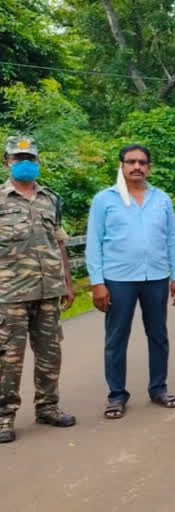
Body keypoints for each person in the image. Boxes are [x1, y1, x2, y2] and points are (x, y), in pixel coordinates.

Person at [86, 144, 175, 419]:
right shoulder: (104, 200)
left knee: (158, 335)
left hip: (155, 276)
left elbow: (172, 240)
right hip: (118, 279)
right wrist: (97, 283)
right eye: (131, 162)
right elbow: (94, 243)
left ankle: (159, 388)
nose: (137, 166)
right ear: (122, 166)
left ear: (149, 167)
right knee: (116, 338)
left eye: (142, 162)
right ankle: (116, 395)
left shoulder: (161, 199)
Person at [0, 136, 75, 443]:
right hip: (10, 294)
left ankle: (48, 407)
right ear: (7, 163)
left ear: (38, 161)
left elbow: (59, 242)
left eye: (29, 158)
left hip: (48, 290)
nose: (24, 163)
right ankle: (4, 417)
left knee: (50, 353)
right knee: (8, 357)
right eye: (18, 159)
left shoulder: (51, 199)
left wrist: (67, 283)